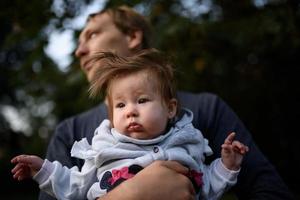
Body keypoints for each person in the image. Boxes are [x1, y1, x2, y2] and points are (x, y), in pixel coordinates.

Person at [38, 5, 293, 200]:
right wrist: (129, 195)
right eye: (121, 106)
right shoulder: (69, 133)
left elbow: (269, 190)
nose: (79, 51)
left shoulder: (207, 109)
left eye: (92, 34)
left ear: (132, 36)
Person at [11, 49, 249, 200]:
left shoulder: (188, 142)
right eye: (121, 105)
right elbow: (75, 185)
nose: (131, 111)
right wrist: (43, 170)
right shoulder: (105, 148)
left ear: (170, 108)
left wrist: (227, 166)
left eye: (142, 100)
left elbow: (207, 186)